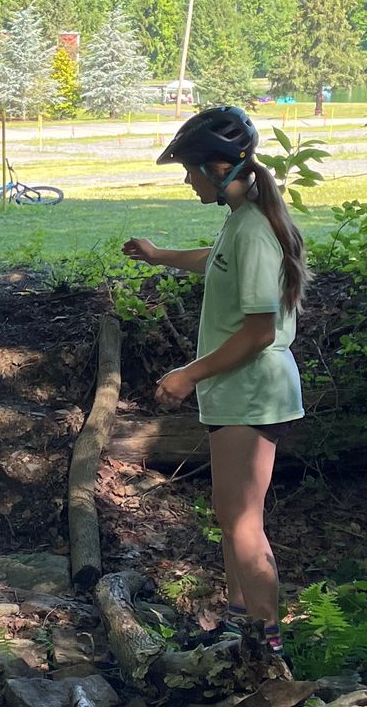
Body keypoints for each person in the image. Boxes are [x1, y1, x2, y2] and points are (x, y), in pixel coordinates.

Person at [123, 105, 309, 672]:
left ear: (220, 168)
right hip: (240, 394)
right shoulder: (244, 219)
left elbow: (258, 331)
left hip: (250, 391)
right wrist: (161, 256)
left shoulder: (254, 229)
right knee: (232, 516)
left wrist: (188, 374)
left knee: (244, 522)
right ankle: (238, 623)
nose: (186, 179)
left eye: (189, 169)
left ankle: (269, 645)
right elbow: (217, 262)